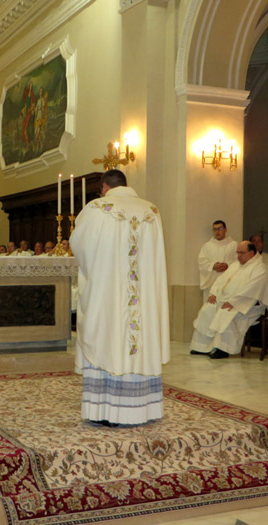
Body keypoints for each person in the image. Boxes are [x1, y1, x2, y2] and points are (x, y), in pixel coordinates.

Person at [71, 169, 169, 426]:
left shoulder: (98, 209)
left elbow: (79, 245)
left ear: (104, 187)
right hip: (143, 297)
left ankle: (106, 411)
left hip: (109, 295)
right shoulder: (152, 211)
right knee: (140, 341)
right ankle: (142, 411)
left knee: (108, 340)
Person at [190, 241, 268, 359]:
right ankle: (201, 346)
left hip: (249, 305)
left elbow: (252, 289)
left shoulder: (261, 269)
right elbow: (220, 280)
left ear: (251, 253)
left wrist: (235, 302)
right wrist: (213, 294)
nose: (238, 256)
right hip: (226, 300)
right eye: (237, 252)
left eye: (242, 253)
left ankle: (222, 348)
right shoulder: (235, 265)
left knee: (226, 312)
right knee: (208, 309)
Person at [198, 220, 237, 299]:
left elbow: (239, 261)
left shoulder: (234, 245)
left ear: (225, 230)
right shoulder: (207, 246)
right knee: (210, 308)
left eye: (220, 229)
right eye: (215, 229)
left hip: (228, 283)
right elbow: (201, 262)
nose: (217, 232)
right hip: (212, 283)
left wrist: (228, 265)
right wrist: (213, 266)